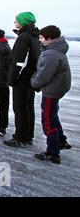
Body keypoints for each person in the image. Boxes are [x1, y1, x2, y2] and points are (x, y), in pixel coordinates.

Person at [31, 26, 72, 164]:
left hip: (51, 90)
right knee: (53, 115)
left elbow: (43, 75)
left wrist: (34, 83)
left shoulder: (51, 54)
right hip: (58, 88)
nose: (40, 41)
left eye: (42, 38)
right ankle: (61, 140)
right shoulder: (57, 49)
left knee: (48, 119)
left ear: (49, 38)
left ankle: (53, 152)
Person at [4, 12, 40, 148]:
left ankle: (20, 137)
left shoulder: (24, 37)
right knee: (28, 107)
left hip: (23, 78)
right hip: (31, 76)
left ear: (23, 22)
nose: (14, 22)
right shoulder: (34, 36)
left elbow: (19, 61)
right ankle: (28, 136)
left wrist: (12, 79)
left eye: (16, 21)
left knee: (20, 108)